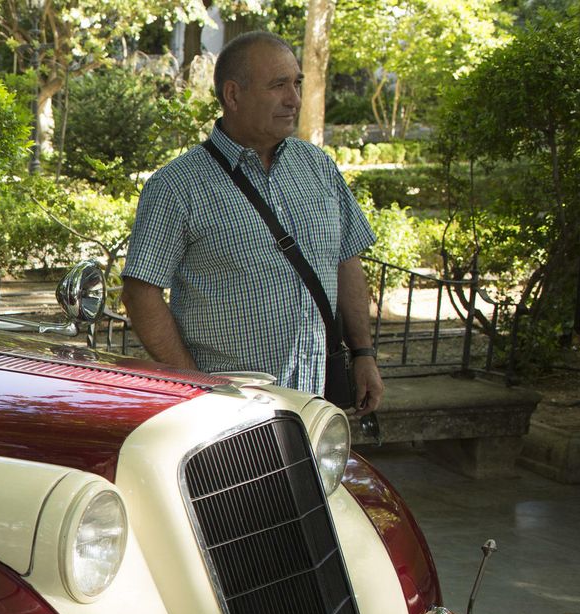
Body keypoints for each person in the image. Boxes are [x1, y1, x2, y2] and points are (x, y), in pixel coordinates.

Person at [122, 31, 384, 413]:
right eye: (278, 86)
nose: (294, 99)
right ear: (233, 95)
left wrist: (363, 353)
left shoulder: (317, 166)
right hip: (231, 410)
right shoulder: (177, 186)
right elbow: (140, 293)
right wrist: (198, 387)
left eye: (296, 83)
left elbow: (346, 260)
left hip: (318, 402)